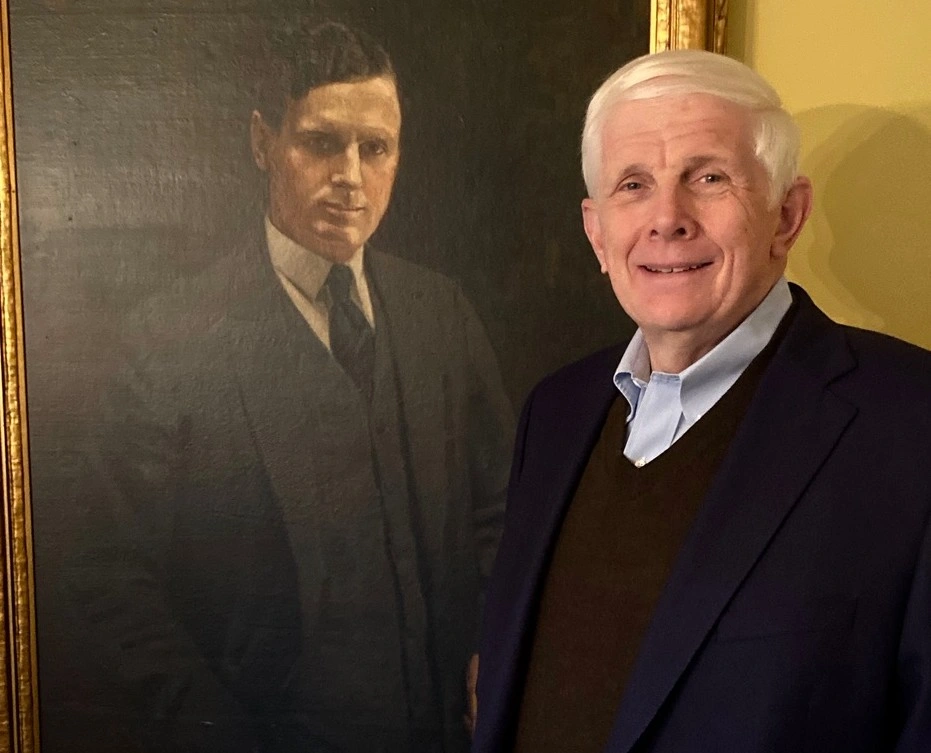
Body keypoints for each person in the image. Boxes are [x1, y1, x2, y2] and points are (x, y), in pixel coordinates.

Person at [49, 20, 513, 753]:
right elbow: (107, 581)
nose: (350, 176)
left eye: (375, 148)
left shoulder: (440, 315)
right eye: (321, 142)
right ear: (263, 142)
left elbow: (500, 512)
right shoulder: (168, 342)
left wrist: (496, 644)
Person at [473, 50, 931, 753]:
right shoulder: (554, 412)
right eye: (633, 184)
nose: (667, 218)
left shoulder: (909, 422)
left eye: (708, 177)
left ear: (787, 215)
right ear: (597, 232)